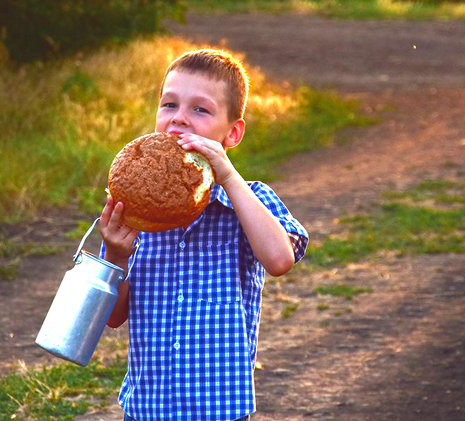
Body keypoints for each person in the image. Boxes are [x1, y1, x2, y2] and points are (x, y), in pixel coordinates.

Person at [99, 48, 308, 421]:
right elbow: (114, 317)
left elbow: (279, 260)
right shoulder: (136, 213)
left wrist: (227, 176)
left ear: (233, 133)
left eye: (201, 110)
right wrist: (115, 256)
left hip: (220, 411)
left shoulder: (249, 200)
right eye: (168, 105)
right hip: (147, 410)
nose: (180, 119)